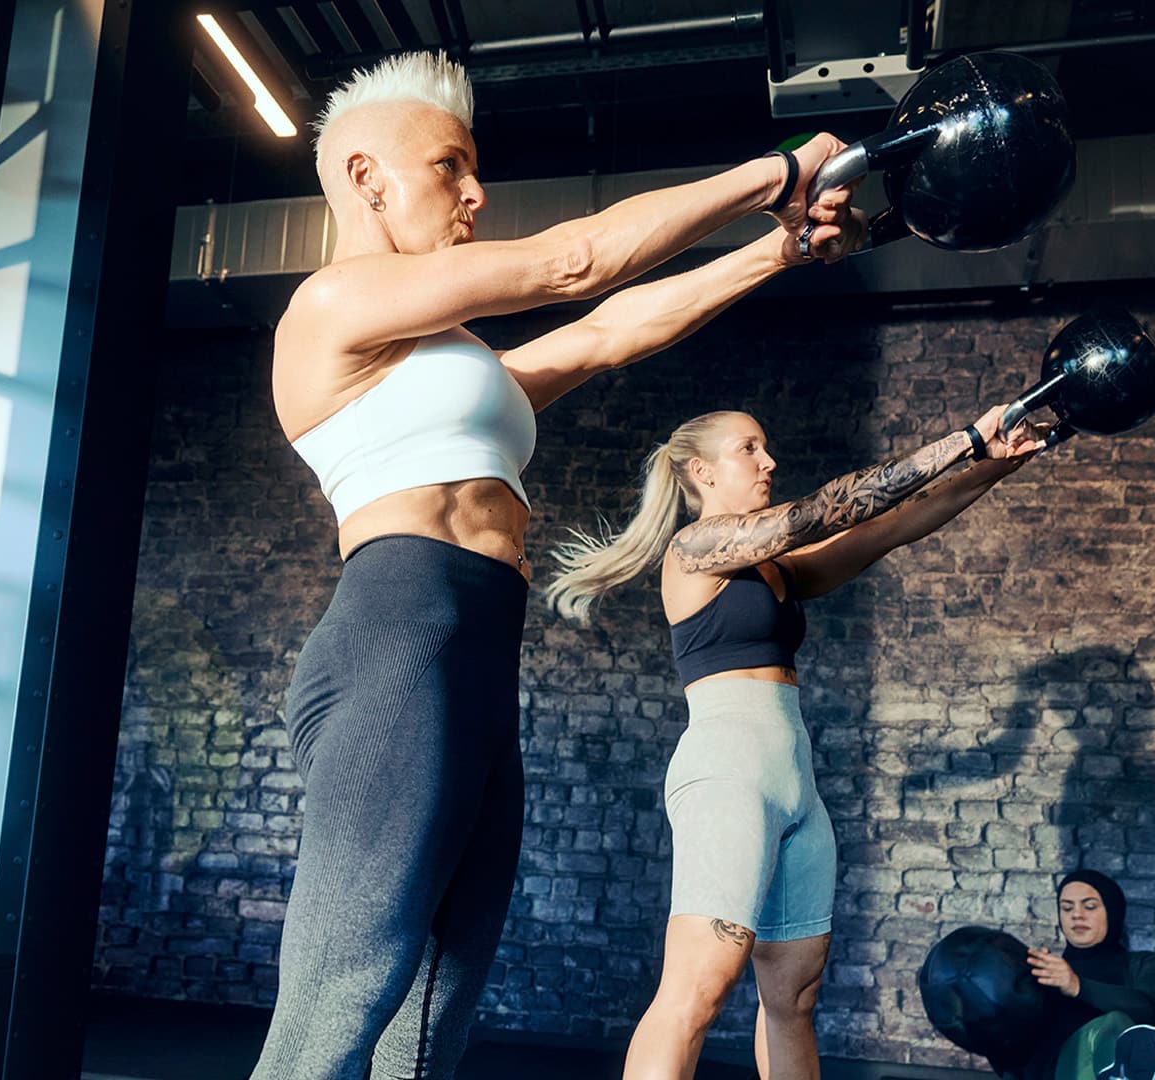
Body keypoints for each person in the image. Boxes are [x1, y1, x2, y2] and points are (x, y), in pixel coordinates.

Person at [257, 49, 869, 1080]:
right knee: (340, 1004)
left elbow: (605, 333)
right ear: (366, 179)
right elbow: (572, 264)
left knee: (433, 1016)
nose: (475, 192)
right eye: (449, 166)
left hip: (477, 657)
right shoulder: (330, 308)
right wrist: (773, 173)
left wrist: (779, 255)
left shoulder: (453, 369)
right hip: (398, 638)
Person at [544, 407, 1046, 1079]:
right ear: (702, 471)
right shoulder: (697, 550)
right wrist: (965, 440)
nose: (768, 460)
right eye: (748, 448)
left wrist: (995, 464)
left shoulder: (777, 568)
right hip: (727, 771)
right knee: (698, 989)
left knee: (794, 997)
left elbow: (890, 525)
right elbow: (826, 511)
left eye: (766, 446)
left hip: (792, 779)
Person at [1006, 869, 1155, 1080]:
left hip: (1150, 1063)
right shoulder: (1046, 974)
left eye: (1090, 906)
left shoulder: (1145, 964)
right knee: (1112, 1023)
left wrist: (1078, 986)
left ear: (1112, 911)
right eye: (1066, 908)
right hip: (1069, 1072)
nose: (1076, 915)